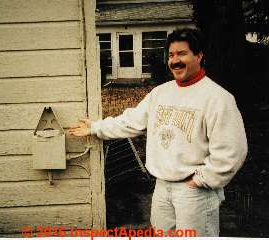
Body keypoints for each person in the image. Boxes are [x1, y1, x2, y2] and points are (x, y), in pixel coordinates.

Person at [69, 28, 248, 237]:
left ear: (199, 56)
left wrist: (201, 180)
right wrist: (95, 127)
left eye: (182, 54)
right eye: (171, 55)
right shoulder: (161, 93)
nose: (175, 61)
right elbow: (131, 121)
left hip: (195, 192)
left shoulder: (218, 98)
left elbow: (232, 151)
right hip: (162, 188)